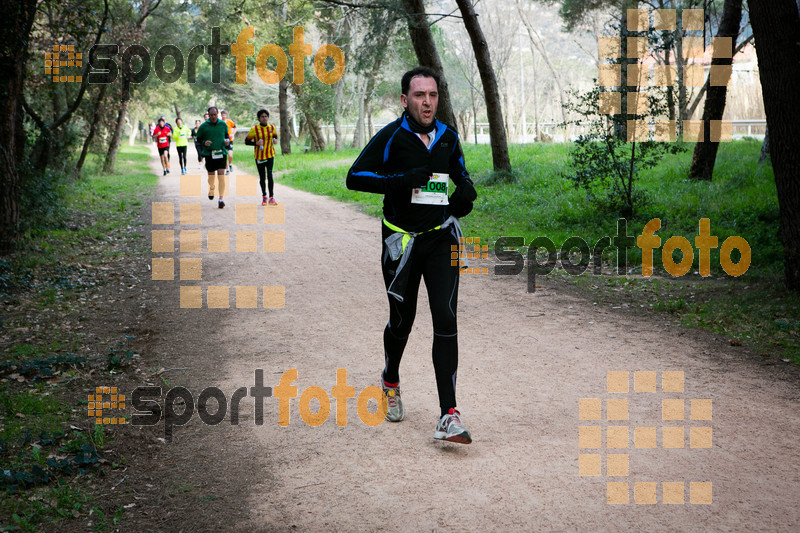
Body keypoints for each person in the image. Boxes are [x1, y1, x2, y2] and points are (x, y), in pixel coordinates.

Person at [346, 66, 477, 444]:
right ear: (405, 100)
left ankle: (448, 414)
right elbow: (356, 176)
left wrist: (464, 196)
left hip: (440, 239)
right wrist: (400, 181)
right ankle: (390, 379)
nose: (427, 102)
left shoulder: (448, 137)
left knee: (446, 316)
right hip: (401, 242)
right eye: (420, 95)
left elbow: (461, 175)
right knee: (403, 319)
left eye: (433, 95)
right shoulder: (390, 137)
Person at [196, 107, 230, 208]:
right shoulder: (203, 126)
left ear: (217, 114)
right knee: (211, 177)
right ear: (208, 115)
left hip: (221, 153)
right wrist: (204, 143)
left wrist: (227, 141)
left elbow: (226, 136)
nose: (213, 117)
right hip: (209, 154)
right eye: (211, 115)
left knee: (221, 177)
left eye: (215, 115)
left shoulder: (223, 124)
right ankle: (211, 188)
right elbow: (198, 139)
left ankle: (221, 199)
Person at [244, 109, 279, 206]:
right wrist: (256, 143)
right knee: (262, 177)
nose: (264, 118)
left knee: (270, 175)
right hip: (259, 156)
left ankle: (272, 197)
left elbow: (275, 137)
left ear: (268, 117)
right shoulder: (254, 129)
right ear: (259, 118)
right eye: (262, 117)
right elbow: (246, 142)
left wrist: (275, 140)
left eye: (266, 116)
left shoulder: (271, 127)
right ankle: (264, 196)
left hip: (270, 154)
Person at [221, 109, 236, 174]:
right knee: (225, 155)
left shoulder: (229, 121)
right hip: (223, 141)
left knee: (230, 155)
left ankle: (230, 164)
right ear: (221, 115)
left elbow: (235, 128)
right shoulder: (220, 122)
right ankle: (227, 170)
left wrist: (233, 134)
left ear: (226, 115)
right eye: (222, 115)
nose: (223, 116)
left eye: (224, 115)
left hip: (230, 140)